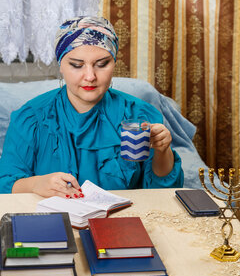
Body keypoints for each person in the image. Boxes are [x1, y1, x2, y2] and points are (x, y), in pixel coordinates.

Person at [0, 16, 184, 198]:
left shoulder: (139, 114)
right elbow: (5, 183)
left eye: (102, 64)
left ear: (114, 64)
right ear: (61, 66)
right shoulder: (30, 119)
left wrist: (163, 151)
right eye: (77, 65)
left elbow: (162, 190)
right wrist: (35, 184)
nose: (90, 76)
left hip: (123, 222)